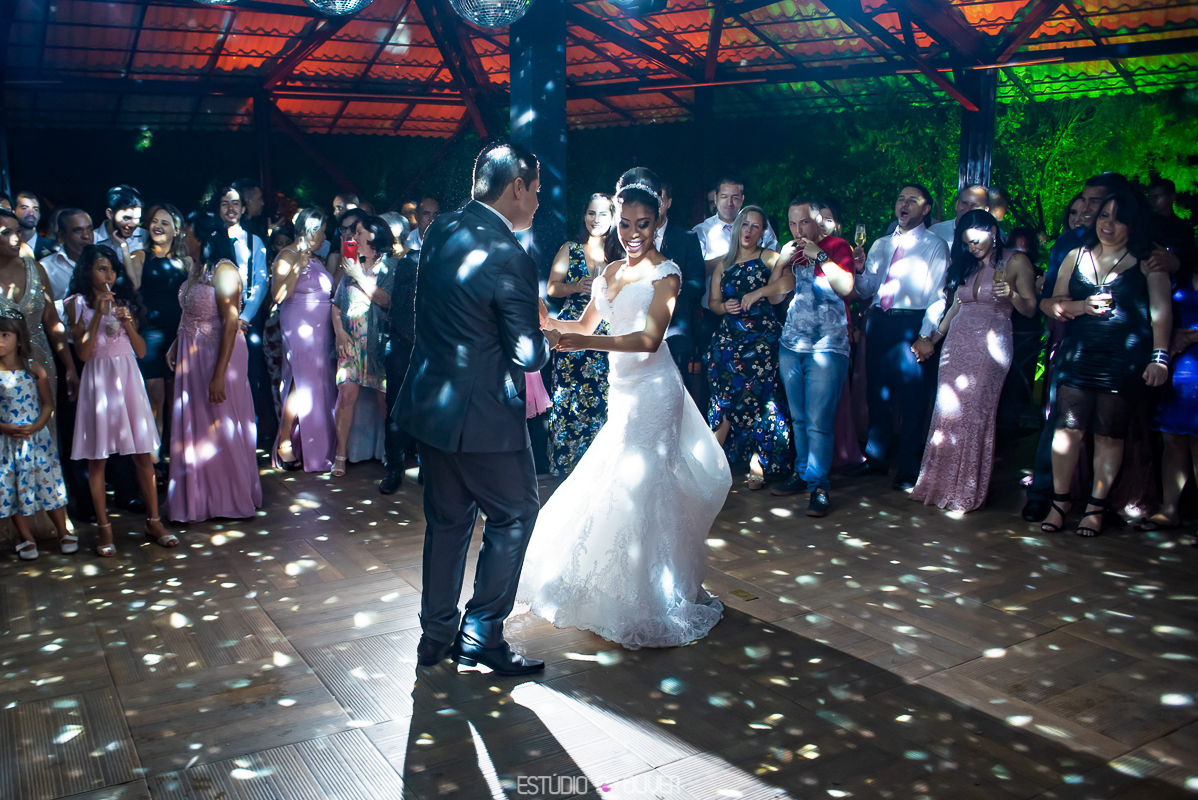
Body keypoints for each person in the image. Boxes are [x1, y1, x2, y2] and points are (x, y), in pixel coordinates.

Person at [519, 178, 731, 650]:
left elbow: (648, 340)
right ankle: (622, 584)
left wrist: (584, 341)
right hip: (623, 391)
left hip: (656, 392)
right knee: (619, 482)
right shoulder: (611, 272)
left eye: (644, 224)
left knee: (646, 484)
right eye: (627, 223)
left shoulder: (667, 274)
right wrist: (547, 322)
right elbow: (582, 325)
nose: (634, 233)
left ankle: (655, 593)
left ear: (658, 223)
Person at [397, 142, 557, 675]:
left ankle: (434, 635)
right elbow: (527, 353)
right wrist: (548, 335)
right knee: (516, 513)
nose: (537, 201)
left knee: (447, 521)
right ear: (516, 186)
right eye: (535, 190)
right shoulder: (511, 255)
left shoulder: (440, 228)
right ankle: (483, 633)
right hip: (484, 415)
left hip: (431, 404)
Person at [1039, 190, 1172, 537]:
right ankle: (1060, 501)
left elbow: (1161, 313)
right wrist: (1082, 307)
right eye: (1103, 216)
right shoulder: (1076, 254)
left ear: (1133, 223)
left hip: (1124, 358)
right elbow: (1048, 303)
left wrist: (1160, 358)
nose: (1107, 224)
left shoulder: (1147, 261)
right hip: (1080, 353)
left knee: (1108, 433)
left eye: (1117, 218)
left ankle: (1095, 506)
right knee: (1067, 430)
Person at [911, 210, 1037, 512]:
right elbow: (955, 307)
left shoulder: (1016, 261)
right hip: (957, 343)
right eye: (967, 243)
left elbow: (1031, 308)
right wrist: (933, 339)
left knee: (974, 413)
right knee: (947, 412)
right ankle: (937, 484)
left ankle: (965, 490)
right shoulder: (967, 265)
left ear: (993, 230)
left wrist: (1013, 295)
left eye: (976, 241)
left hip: (991, 344)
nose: (972, 248)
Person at [66, 245, 174, 556]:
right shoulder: (76, 304)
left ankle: (154, 522)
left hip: (127, 379)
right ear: (88, 271)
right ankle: (104, 529)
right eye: (102, 268)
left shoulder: (124, 303)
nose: (109, 275)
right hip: (99, 382)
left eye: (112, 269)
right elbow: (84, 353)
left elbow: (140, 351)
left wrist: (127, 323)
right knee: (97, 460)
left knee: (142, 453)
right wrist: (97, 316)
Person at [754, 200, 856, 516]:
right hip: (792, 344)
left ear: (817, 221)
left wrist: (821, 256)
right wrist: (780, 263)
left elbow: (847, 288)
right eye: (793, 224)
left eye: (804, 223)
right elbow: (774, 296)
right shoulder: (792, 251)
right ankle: (801, 473)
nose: (799, 230)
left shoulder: (837, 246)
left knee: (818, 421)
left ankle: (819, 486)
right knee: (799, 418)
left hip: (828, 345)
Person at [852, 183, 950, 490]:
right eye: (900, 199)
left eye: (912, 200)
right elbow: (867, 289)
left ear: (925, 209)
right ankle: (876, 458)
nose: (903, 204)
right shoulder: (881, 244)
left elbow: (938, 297)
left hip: (911, 324)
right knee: (877, 392)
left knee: (911, 399)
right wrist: (858, 270)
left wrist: (925, 336)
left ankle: (908, 468)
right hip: (879, 321)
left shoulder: (935, 245)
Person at [166, 219, 262, 522]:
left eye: (188, 233)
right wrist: (175, 343)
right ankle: (200, 499)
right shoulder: (197, 269)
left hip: (219, 353)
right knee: (197, 424)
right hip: (190, 353)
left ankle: (229, 497)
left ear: (204, 238)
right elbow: (190, 312)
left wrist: (219, 374)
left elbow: (231, 322)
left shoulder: (224, 270)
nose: (183, 238)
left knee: (221, 422)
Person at [705, 204, 790, 488]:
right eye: (745, 224)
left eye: (756, 226)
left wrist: (759, 292)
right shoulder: (724, 264)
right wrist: (723, 307)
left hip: (761, 338)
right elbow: (713, 303)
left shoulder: (768, 257)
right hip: (730, 338)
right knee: (724, 389)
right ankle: (717, 452)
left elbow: (788, 281)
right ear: (738, 227)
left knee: (760, 395)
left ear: (763, 232)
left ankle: (758, 458)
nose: (749, 230)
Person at [546, 193, 613, 475]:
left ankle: (600, 471)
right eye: (591, 213)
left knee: (603, 401)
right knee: (567, 401)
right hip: (571, 331)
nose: (596, 220)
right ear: (583, 216)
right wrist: (576, 287)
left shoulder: (619, 257)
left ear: (613, 219)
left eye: (603, 214)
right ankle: (567, 470)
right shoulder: (570, 249)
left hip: (605, 336)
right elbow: (552, 288)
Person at [0, 313, 72, 559]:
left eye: (5, 335)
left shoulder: (33, 369)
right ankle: (26, 538)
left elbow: (47, 404)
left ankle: (62, 530)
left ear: (19, 339)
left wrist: (37, 426)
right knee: (12, 490)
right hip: (7, 445)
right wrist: (4, 427)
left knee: (48, 485)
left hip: (36, 442)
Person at [272, 208, 336, 474]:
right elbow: (277, 295)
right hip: (300, 326)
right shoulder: (287, 254)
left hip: (321, 329)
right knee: (300, 382)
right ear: (311, 230)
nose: (325, 235)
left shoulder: (318, 257)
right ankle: (285, 440)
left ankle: (314, 445)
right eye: (322, 230)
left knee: (317, 384)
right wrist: (297, 264)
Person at [331, 215, 395, 476]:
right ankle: (340, 455)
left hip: (379, 343)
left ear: (374, 238)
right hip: (351, 341)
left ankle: (391, 456)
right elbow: (336, 305)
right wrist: (338, 332)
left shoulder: (391, 267)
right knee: (346, 396)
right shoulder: (349, 265)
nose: (353, 238)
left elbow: (386, 300)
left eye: (359, 233)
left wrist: (359, 274)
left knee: (384, 401)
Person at [129, 204, 190, 460]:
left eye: (165, 222)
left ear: (176, 230)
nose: (158, 226)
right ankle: (153, 461)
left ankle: (174, 458)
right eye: (155, 221)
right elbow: (132, 287)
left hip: (179, 334)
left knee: (177, 401)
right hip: (150, 334)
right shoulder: (140, 256)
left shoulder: (186, 262)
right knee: (155, 400)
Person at [215, 184, 274, 447]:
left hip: (247, 320)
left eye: (236, 203)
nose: (231, 208)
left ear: (244, 207)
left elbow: (261, 283)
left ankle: (246, 434)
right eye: (225, 203)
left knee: (249, 375)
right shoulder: (211, 239)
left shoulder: (255, 241)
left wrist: (244, 317)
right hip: (213, 318)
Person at [0, 209, 77, 406]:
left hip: (40, 363)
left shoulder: (35, 269)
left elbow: (52, 321)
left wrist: (70, 367)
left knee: (45, 425)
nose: (16, 238)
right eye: (6, 232)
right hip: (3, 369)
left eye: (17, 231)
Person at [381, 214, 419, 495]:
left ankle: (426, 469)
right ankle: (394, 469)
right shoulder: (408, 262)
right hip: (403, 343)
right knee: (395, 410)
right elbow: (399, 303)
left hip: (432, 347)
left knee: (429, 410)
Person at [39, 208, 94, 321]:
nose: (86, 236)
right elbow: (42, 311)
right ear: (61, 235)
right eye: (78, 231)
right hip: (66, 336)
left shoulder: (104, 262)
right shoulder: (46, 267)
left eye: (89, 229)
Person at [93, 184, 146, 254]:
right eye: (127, 218)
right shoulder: (92, 239)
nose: (132, 225)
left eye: (137, 218)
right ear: (110, 214)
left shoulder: (145, 236)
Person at [13, 192, 55, 260]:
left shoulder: (52, 248)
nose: (31, 213)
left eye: (35, 209)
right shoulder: (7, 247)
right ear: (14, 212)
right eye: (24, 208)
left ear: (39, 215)